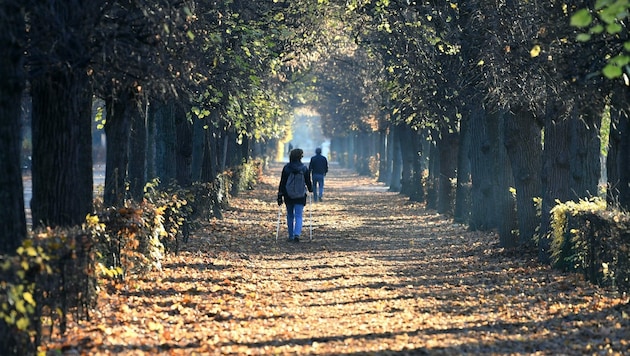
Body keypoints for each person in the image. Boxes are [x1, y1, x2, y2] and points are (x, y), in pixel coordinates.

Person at [278, 148, 313, 242]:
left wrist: (280, 194)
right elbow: (308, 181)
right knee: (298, 215)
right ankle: (297, 234)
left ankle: (291, 235)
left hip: (288, 195)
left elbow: (283, 182)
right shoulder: (304, 168)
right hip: (300, 195)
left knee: (290, 215)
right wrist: (310, 189)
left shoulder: (286, 168)